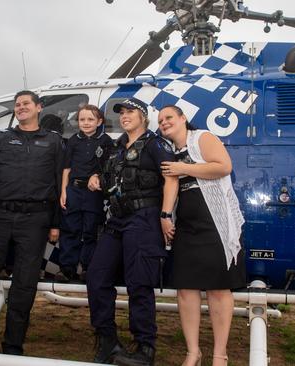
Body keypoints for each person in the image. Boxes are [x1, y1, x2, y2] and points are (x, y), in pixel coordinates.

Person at [0, 90, 64, 355]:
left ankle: (12, 347)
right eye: (17, 105)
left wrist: (55, 224)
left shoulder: (54, 142)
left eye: (25, 104)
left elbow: (58, 186)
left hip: (35, 221)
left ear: (39, 107)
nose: (20, 108)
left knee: (25, 283)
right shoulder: (1, 139)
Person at [86, 98, 178, 366]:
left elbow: (171, 177)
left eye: (130, 112)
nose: (125, 117)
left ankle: (144, 348)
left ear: (143, 116)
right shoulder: (115, 147)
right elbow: (109, 179)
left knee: (139, 283)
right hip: (116, 220)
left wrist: (165, 215)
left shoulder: (155, 144)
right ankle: (107, 340)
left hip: (145, 218)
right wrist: (96, 179)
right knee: (97, 276)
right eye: (122, 113)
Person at [158, 105, 246, 366]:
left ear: (183, 118)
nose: (164, 122)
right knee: (186, 289)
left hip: (216, 224)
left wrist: (184, 168)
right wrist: (164, 217)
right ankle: (193, 352)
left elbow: (223, 167)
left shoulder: (203, 138)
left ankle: (220, 355)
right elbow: (171, 184)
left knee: (219, 289)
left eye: (169, 117)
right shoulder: (170, 151)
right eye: (161, 120)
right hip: (187, 225)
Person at [56, 104, 113, 282]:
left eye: (90, 119)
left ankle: (89, 268)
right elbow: (66, 168)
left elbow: (109, 169)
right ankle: (67, 269)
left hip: (94, 194)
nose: (86, 123)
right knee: (70, 229)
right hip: (73, 190)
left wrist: (97, 176)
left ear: (99, 121)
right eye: (82, 119)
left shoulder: (106, 141)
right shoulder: (72, 140)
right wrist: (64, 191)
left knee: (91, 231)